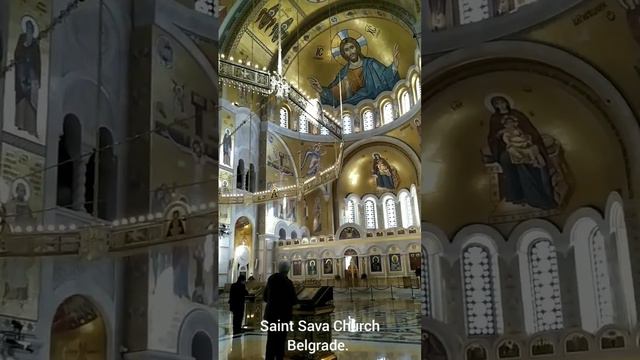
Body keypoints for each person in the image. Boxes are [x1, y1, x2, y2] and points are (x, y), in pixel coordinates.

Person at [309, 37, 400, 106]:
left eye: (352, 47)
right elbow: (336, 93)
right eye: (346, 50)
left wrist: (394, 66)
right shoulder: (344, 72)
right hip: (353, 106)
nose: (350, 52)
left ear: (356, 48)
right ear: (344, 54)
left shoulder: (370, 63)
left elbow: (385, 76)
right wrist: (321, 90)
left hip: (377, 102)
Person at [264, 261, 297, 360]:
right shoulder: (288, 282)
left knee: (270, 340)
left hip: (271, 316)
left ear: (278, 269)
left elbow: (265, 297)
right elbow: (294, 300)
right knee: (280, 341)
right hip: (283, 317)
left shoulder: (271, 279)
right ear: (288, 270)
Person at [14, 16, 41, 138]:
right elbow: (16, 54)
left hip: (32, 76)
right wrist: (24, 47)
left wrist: (38, 78)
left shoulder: (35, 43)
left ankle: (30, 127)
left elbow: (38, 61)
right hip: (21, 74)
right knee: (21, 100)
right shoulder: (21, 38)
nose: (29, 29)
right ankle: (20, 124)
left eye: (31, 27)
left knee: (31, 102)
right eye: (27, 27)